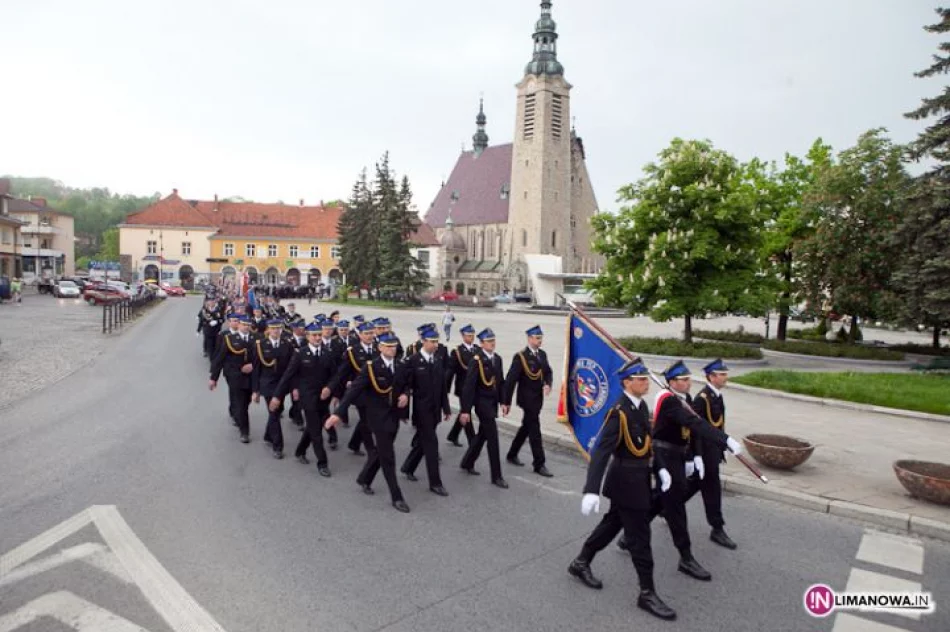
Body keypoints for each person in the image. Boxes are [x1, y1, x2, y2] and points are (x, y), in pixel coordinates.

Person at [568, 358, 676, 621]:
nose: (645, 382)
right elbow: (602, 451)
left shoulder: (639, 407)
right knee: (640, 538)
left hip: (637, 479)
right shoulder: (619, 412)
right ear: (627, 383)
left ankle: (581, 562)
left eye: (645, 378)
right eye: (640, 379)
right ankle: (647, 593)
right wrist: (591, 489)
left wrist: (660, 467)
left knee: (611, 524)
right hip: (626, 482)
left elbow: (648, 443)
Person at [618, 360, 743, 582]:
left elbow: (690, 430)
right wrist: (725, 440)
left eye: (688, 379)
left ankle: (630, 536)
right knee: (675, 508)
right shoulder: (668, 401)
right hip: (665, 457)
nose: (689, 382)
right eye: (684, 380)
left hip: (677, 455)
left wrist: (695, 456)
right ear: (672, 382)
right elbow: (695, 423)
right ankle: (685, 557)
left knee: (659, 500)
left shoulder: (683, 399)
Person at [326, 332, 411, 513]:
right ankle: (397, 496)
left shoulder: (400, 365)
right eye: (388, 346)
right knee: (388, 456)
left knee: (381, 452)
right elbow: (354, 390)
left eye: (394, 346)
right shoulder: (371, 367)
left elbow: (406, 384)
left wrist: (405, 395)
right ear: (379, 348)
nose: (392, 349)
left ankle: (365, 478)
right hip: (377, 417)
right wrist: (339, 413)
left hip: (393, 415)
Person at [271, 322, 336, 477]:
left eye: (319, 335)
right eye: (314, 335)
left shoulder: (327, 353)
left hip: (323, 398)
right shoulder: (300, 354)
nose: (318, 338)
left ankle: (300, 451)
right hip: (307, 398)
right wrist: (277, 396)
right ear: (307, 336)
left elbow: (335, 375)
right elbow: (287, 376)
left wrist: (330, 388)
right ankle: (322, 463)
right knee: (316, 432)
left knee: (313, 427)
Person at [684, 358, 736, 549]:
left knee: (692, 486)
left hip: (713, 451)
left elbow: (718, 424)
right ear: (711, 377)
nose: (725, 377)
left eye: (725, 374)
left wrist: (724, 445)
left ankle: (664, 508)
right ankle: (717, 528)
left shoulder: (717, 396)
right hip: (704, 454)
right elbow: (695, 429)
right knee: (712, 489)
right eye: (721, 374)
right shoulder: (702, 399)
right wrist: (695, 456)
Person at [399, 326, 452, 496]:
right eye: (432, 342)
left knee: (423, 442)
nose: (436, 345)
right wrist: (404, 413)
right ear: (423, 341)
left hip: (435, 410)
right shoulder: (413, 361)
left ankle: (408, 467)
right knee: (432, 445)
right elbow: (405, 387)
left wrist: (446, 407)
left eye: (437, 341)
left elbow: (442, 386)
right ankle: (435, 483)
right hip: (421, 412)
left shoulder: (437, 360)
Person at [458, 328, 508, 488]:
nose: (492, 343)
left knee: (482, 435)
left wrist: (504, 402)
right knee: (493, 438)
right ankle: (497, 476)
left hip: (492, 402)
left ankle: (467, 461)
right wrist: (465, 410)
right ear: (481, 343)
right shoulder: (476, 360)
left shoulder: (497, 359)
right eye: (488, 341)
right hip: (482, 404)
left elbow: (500, 382)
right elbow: (468, 387)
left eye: (493, 340)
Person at [504, 325, 554, 477]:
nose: (540, 341)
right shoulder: (520, 357)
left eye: (541, 338)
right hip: (526, 399)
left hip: (537, 398)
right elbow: (510, 380)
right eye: (537, 338)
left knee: (526, 426)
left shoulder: (542, 355)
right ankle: (539, 463)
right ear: (529, 338)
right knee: (535, 430)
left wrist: (548, 383)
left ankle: (512, 454)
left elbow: (548, 372)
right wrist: (506, 402)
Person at [209, 314, 256, 443]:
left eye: (248, 325)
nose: (246, 327)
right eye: (243, 324)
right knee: (241, 405)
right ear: (238, 325)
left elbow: (262, 358)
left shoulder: (256, 339)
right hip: (235, 376)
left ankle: (239, 416)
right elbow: (219, 359)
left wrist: (253, 365)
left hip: (252, 377)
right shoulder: (229, 339)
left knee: (246, 402)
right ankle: (244, 431)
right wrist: (214, 378)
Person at [252, 320, 295, 459]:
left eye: (278, 328)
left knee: (278, 410)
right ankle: (278, 446)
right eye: (273, 328)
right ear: (268, 330)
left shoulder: (287, 345)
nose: (276, 331)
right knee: (274, 411)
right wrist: (255, 390)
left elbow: (291, 368)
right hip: (268, 384)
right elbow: (256, 369)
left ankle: (268, 435)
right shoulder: (260, 345)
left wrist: (294, 387)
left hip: (282, 384)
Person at [445, 324, 479, 447]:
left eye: (472, 335)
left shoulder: (477, 349)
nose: (471, 338)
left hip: (475, 388)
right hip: (463, 387)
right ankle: (473, 441)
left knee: (464, 412)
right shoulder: (457, 352)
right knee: (467, 412)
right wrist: (445, 390)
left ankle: (453, 435)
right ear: (463, 336)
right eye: (469, 335)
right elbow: (450, 371)